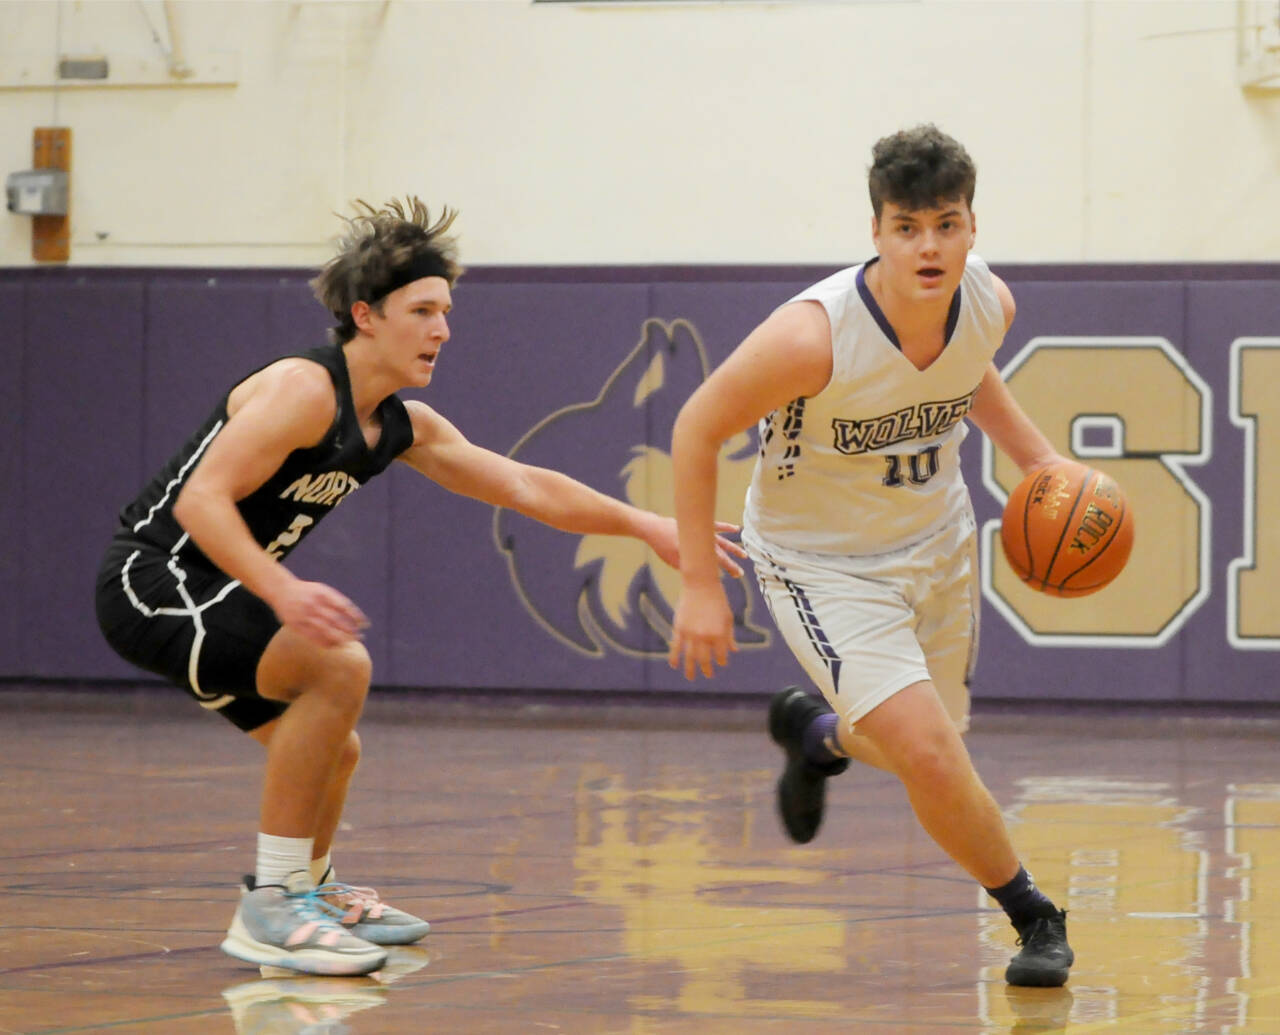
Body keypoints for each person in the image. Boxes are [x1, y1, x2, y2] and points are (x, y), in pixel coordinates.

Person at [94, 197, 746, 977]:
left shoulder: (400, 424)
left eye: (446, 312)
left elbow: (524, 485)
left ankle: (311, 892)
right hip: (152, 579)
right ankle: (272, 902)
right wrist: (283, 590)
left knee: (335, 745)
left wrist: (647, 525)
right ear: (365, 316)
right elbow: (201, 501)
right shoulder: (305, 388)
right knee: (338, 666)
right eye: (423, 311)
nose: (443, 329)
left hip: (212, 588)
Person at [666, 125, 1075, 988]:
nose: (928, 246)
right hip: (821, 564)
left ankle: (819, 737)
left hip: (937, 541)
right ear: (877, 232)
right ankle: (1034, 913)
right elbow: (696, 427)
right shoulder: (811, 337)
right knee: (931, 755)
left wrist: (1041, 461)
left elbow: (966, 371)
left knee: (934, 746)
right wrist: (700, 581)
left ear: (972, 227)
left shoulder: (990, 303)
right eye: (907, 227)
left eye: (946, 224)